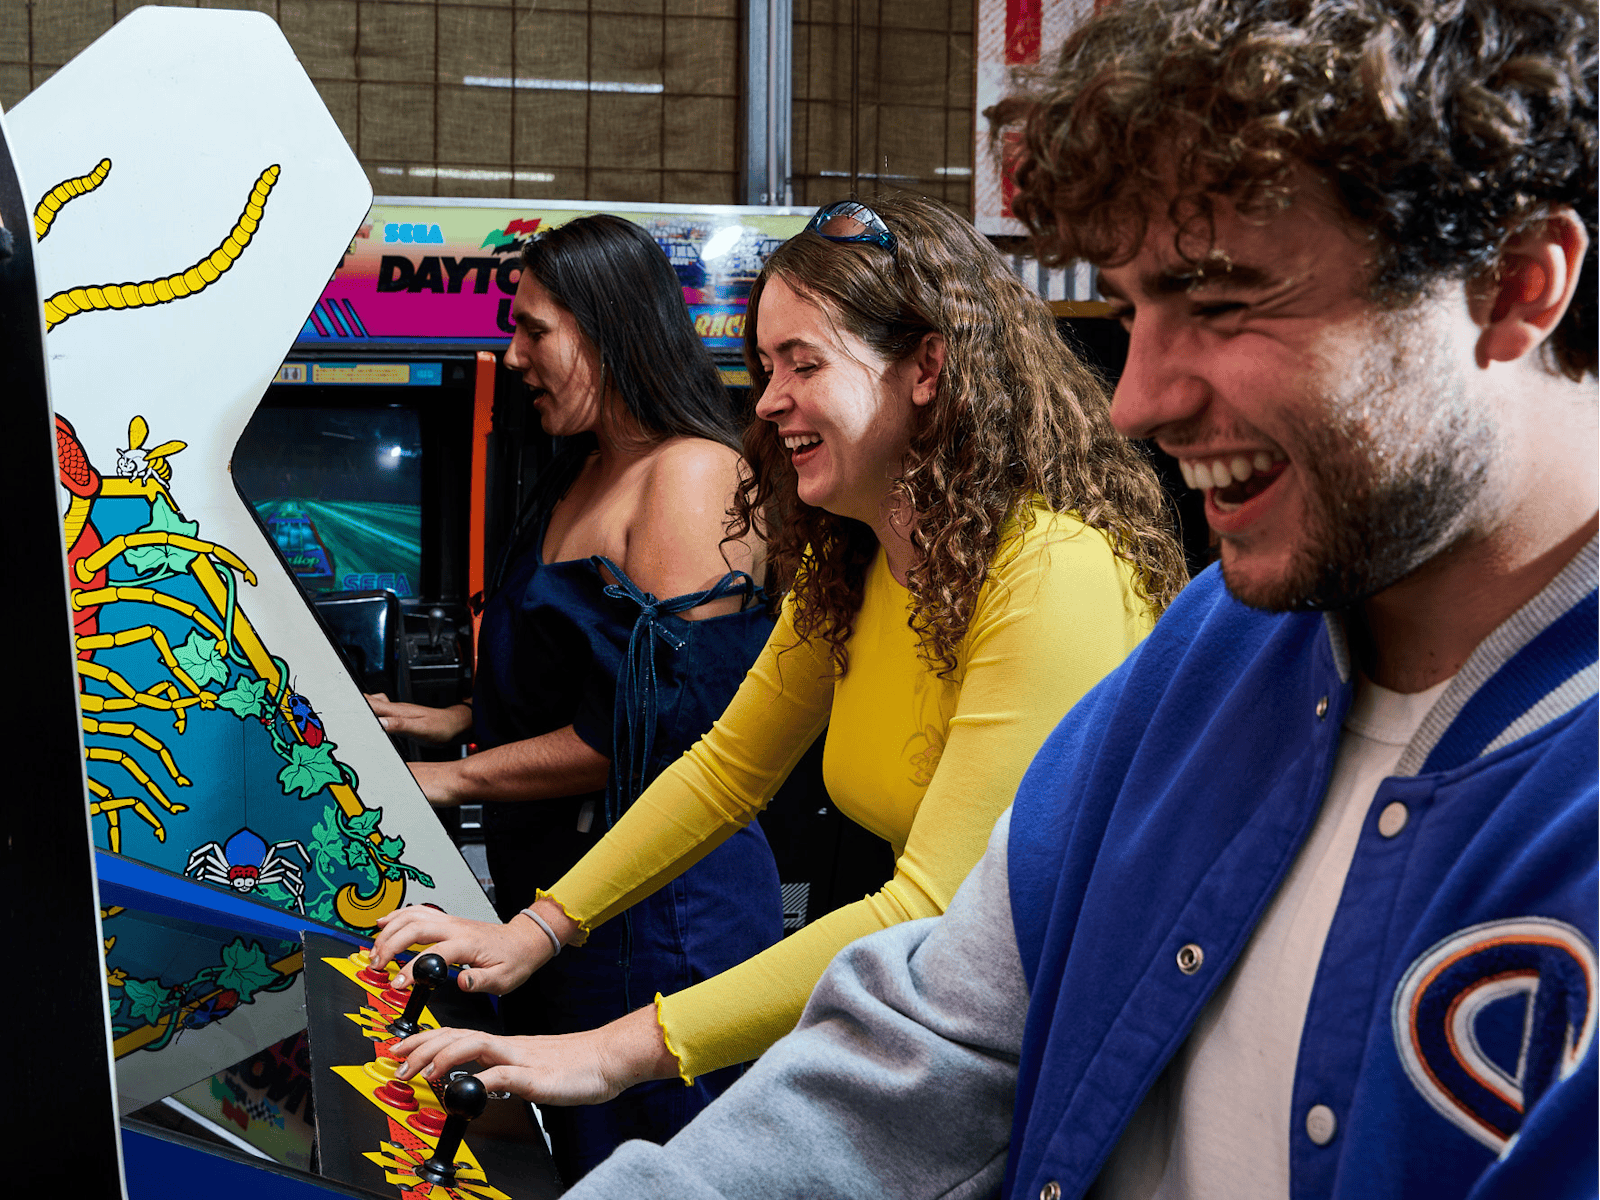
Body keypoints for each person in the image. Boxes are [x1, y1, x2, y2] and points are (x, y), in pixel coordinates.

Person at [543, 1, 1600, 1197]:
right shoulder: (1209, 658)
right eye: (1136, 307)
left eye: (1220, 299)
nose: (1136, 400)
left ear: (1515, 286)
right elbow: (944, 1031)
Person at [370, 194, 1188, 1120]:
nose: (767, 402)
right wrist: (536, 931)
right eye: (765, 366)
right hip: (952, 1016)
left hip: (1068, 1049)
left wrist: (611, 1051)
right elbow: (723, 770)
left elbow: (933, 902)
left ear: (927, 368)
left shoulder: (1051, 568)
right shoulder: (857, 559)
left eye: (804, 363)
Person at [365, 213, 787, 1181]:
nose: (512, 357)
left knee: (655, 1174)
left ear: (604, 329)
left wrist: (451, 776)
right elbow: (579, 670)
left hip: (663, 921)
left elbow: (657, 731)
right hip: (560, 915)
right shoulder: (583, 471)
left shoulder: (693, 477)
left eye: (532, 330)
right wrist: (446, 720)